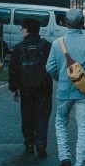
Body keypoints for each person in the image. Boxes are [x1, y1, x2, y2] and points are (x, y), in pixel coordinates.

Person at [45, 8, 85, 166]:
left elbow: (49, 68)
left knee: (61, 123)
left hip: (64, 91)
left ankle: (64, 157)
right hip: (84, 93)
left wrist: (62, 79)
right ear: (82, 23)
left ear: (66, 23)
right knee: (84, 127)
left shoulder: (58, 43)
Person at [8, 18, 52, 157]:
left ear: (26, 30)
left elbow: (14, 70)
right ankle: (41, 143)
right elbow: (53, 67)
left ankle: (29, 142)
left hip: (25, 87)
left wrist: (14, 88)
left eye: (22, 29)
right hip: (44, 87)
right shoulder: (46, 46)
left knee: (27, 116)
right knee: (42, 117)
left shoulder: (19, 47)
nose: (21, 31)